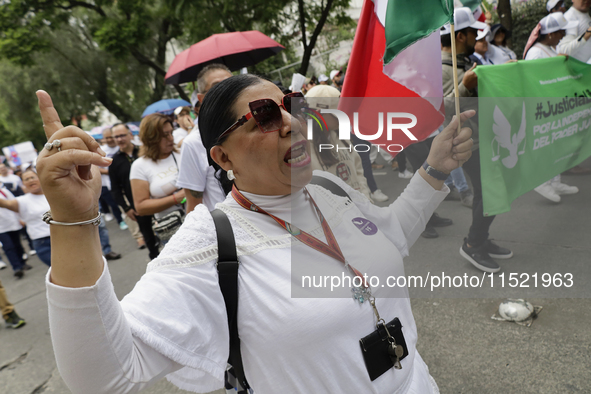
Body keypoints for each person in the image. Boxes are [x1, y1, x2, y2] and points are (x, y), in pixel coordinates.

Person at [37, 74, 474, 393]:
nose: (289, 122)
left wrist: (434, 169)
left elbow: (392, 236)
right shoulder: (209, 240)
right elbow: (105, 376)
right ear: (223, 157)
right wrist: (74, 223)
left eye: (289, 103)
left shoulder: (328, 187)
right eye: (263, 117)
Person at [441, 7, 513, 272]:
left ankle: (480, 238)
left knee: (491, 193)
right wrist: (465, 85)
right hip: (468, 142)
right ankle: (473, 245)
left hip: (485, 137)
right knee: (488, 194)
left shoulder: (467, 60)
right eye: (472, 31)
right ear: (460, 36)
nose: (476, 35)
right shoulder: (442, 67)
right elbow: (443, 108)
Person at [523, 13, 580, 202]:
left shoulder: (550, 49)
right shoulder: (536, 53)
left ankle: (555, 181)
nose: (563, 35)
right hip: (542, 107)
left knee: (556, 143)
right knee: (546, 145)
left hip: (553, 106)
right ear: (550, 34)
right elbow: (533, 81)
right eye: (560, 32)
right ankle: (541, 182)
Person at [177, 64, 231, 213]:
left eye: (232, 85)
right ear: (201, 99)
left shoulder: (251, 128)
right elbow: (194, 206)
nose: (227, 92)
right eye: (217, 87)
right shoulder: (193, 143)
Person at [305, 85, 373, 201]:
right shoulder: (305, 149)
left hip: (361, 209)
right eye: (337, 115)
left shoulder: (341, 137)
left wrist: (366, 200)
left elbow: (358, 171)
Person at [110, 123, 159, 259]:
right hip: (138, 207)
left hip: (158, 199)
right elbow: (115, 190)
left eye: (122, 135)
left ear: (130, 135)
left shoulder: (145, 152)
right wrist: (127, 208)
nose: (120, 139)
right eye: (116, 136)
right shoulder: (114, 162)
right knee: (150, 240)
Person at [129, 113, 185, 226]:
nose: (171, 138)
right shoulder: (139, 166)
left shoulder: (182, 153)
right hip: (172, 227)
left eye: (171, 133)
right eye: (165, 135)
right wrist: (177, 198)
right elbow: (141, 207)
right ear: (151, 138)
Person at [0, 184, 31, 278]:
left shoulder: (3, 191)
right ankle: (16, 267)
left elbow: (15, 204)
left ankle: (22, 263)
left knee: (17, 244)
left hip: (12, 222)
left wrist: (20, 218)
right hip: (1, 228)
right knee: (8, 246)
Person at [98, 128, 126, 229]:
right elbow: (97, 168)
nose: (109, 139)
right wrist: (112, 172)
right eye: (107, 138)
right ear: (104, 139)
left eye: (111, 137)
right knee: (114, 204)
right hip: (109, 184)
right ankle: (120, 221)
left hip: (124, 181)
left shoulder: (121, 147)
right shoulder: (101, 151)